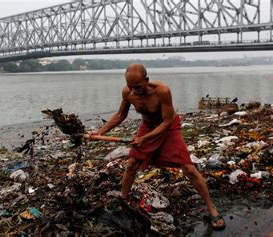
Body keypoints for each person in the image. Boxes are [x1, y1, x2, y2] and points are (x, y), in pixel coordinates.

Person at [91, 64, 226, 230]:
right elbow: (120, 115)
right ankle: (123, 201)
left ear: (147, 81)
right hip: (147, 126)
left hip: (168, 129)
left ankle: (212, 209)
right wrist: (99, 132)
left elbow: (168, 121)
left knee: (188, 169)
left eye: (138, 87)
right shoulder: (128, 92)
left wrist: (143, 139)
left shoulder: (162, 91)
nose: (134, 91)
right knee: (132, 164)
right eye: (130, 86)